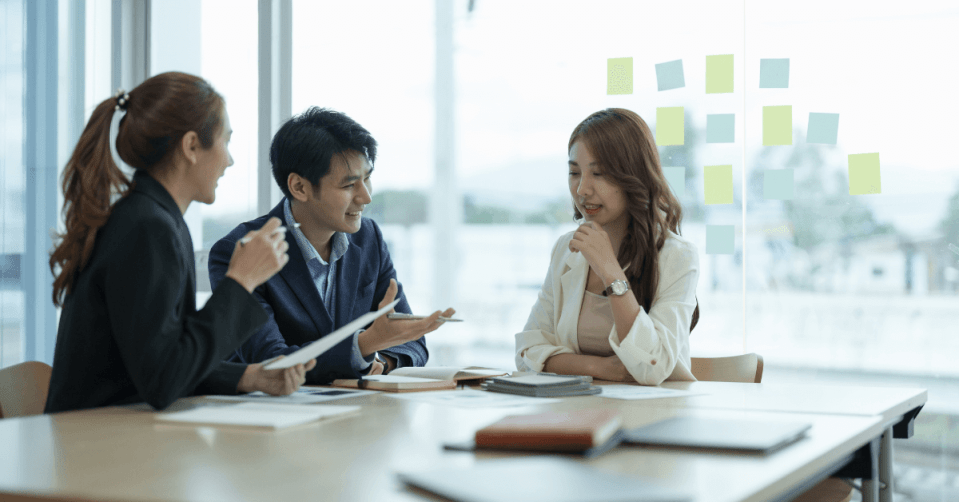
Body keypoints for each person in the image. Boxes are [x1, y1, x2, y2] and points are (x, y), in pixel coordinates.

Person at [45, 72, 315, 414]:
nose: (229, 160)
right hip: (95, 443)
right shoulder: (147, 227)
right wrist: (241, 281)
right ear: (191, 146)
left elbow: (166, 357)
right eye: (225, 142)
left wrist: (250, 377)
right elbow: (162, 380)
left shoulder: (153, 217)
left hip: (109, 433)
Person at [208, 107, 454, 384]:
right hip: (276, 418)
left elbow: (411, 344)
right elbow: (271, 362)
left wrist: (381, 362)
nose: (365, 197)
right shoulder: (241, 251)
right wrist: (362, 347)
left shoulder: (369, 237)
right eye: (349, 185)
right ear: (300, 187)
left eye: (367, 178)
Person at [515, 108, 700, 385]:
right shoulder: (567, 249)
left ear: (633, 176)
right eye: (575, 173)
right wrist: (601, 368)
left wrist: (610, 270)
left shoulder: (677, 256)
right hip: (579, 412)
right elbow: (526, 352)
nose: (582, 189)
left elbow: (654, 366)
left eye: (599, 173)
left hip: (655, 416)